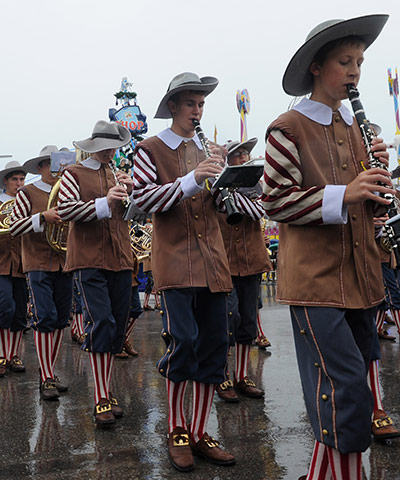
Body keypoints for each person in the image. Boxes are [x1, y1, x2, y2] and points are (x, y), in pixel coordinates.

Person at [261, 14, 391, 479]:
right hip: (316, 282)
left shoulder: (357, 128)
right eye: (344, 61)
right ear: (317, 67)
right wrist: (348, 192)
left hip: (361, 278)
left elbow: (364, 206)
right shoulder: (287, 127)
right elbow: (275, 202)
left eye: (359, 61)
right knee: (344, 391)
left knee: (357, 393)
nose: (355, 71)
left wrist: (378, 194)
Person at [132, 72, 236, 471]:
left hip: (213, 260)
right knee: (185, 343)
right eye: (191, 104)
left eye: (201, 105)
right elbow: (142, 199)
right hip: (175, 261)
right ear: (173, 107)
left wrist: (230, 185)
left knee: (214, 347)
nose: (197, 111)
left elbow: (219, 206)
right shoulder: (150, 148)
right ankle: (176, 429)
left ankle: (199, 430)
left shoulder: (209, 149)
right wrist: (193, 179)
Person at [58, 121, 133, 426]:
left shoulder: (116, 172)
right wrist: (106, 201)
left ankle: (108, 390)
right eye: (106, 147)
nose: (111, 152)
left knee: (116, 326)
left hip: (120, 256)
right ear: (95, 146)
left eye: (114, 147)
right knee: (101, 322)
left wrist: (132, 194)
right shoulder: (73, 173)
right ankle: (101, 395)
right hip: (89, 257)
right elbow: (65, 210)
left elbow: (130, 213)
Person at [10, 146, 73, 400]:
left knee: (60, 319)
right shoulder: (27, 192)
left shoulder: (68, 190)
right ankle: (45, 375)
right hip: (37, 263)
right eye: (50, 163)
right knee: (45, 317)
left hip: (64, 261)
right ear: (40, 167)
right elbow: (14, 227)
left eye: (59, 162)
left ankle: (50, 371)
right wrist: (42, 217)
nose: (56, 168)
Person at [214, 138, 271, 403]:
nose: (244, 158)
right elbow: (220, 206)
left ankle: (242, 376)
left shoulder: (255, 186)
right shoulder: (216, 186)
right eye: (238, 155)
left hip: (251, 261)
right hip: (224, 263)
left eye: (246, 153)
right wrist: (226, 192)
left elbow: (260, 209)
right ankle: (222, 375)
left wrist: (233, 195)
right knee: (228, 319)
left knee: (248, 319)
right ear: (229, 160)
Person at [0, 160, 28, 377]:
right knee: (4, 305)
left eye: (22, 179)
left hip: (22, 262)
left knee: (20, 311)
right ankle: (2, 354)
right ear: (5, 182)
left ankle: (14, 354)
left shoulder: (27, 202)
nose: (19, 184)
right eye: (14, 180)